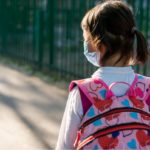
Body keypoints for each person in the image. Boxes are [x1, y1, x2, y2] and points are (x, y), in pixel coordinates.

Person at [55, 0, 150, 149]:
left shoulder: (83, 93)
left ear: (100, 46)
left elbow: (65, 146)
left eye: (87, 41)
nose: (85, 46)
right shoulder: (147, 89)